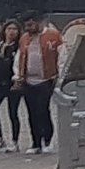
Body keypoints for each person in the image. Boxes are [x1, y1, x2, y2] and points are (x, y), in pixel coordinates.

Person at [14, 11, 67, 155]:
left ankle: (48, 140)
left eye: (31, 24)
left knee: (42, 110)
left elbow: (62, 57)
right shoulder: (24, 38)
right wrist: (18, 76)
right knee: (31, 113)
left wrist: (60, 77)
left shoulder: (53, 36)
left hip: (46, 79)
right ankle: (35, 142)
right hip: (28, 80)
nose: (29, 28)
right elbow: (19, 58)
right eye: (26, 26)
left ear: (38, 22)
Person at [0, 20, 23, 153]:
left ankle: (14, 141)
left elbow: (18, 63)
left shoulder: (18, 47)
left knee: (12, 112)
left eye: (14, 29)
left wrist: (17, 78)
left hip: (12, 83)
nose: (12, 32)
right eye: (9, 29)